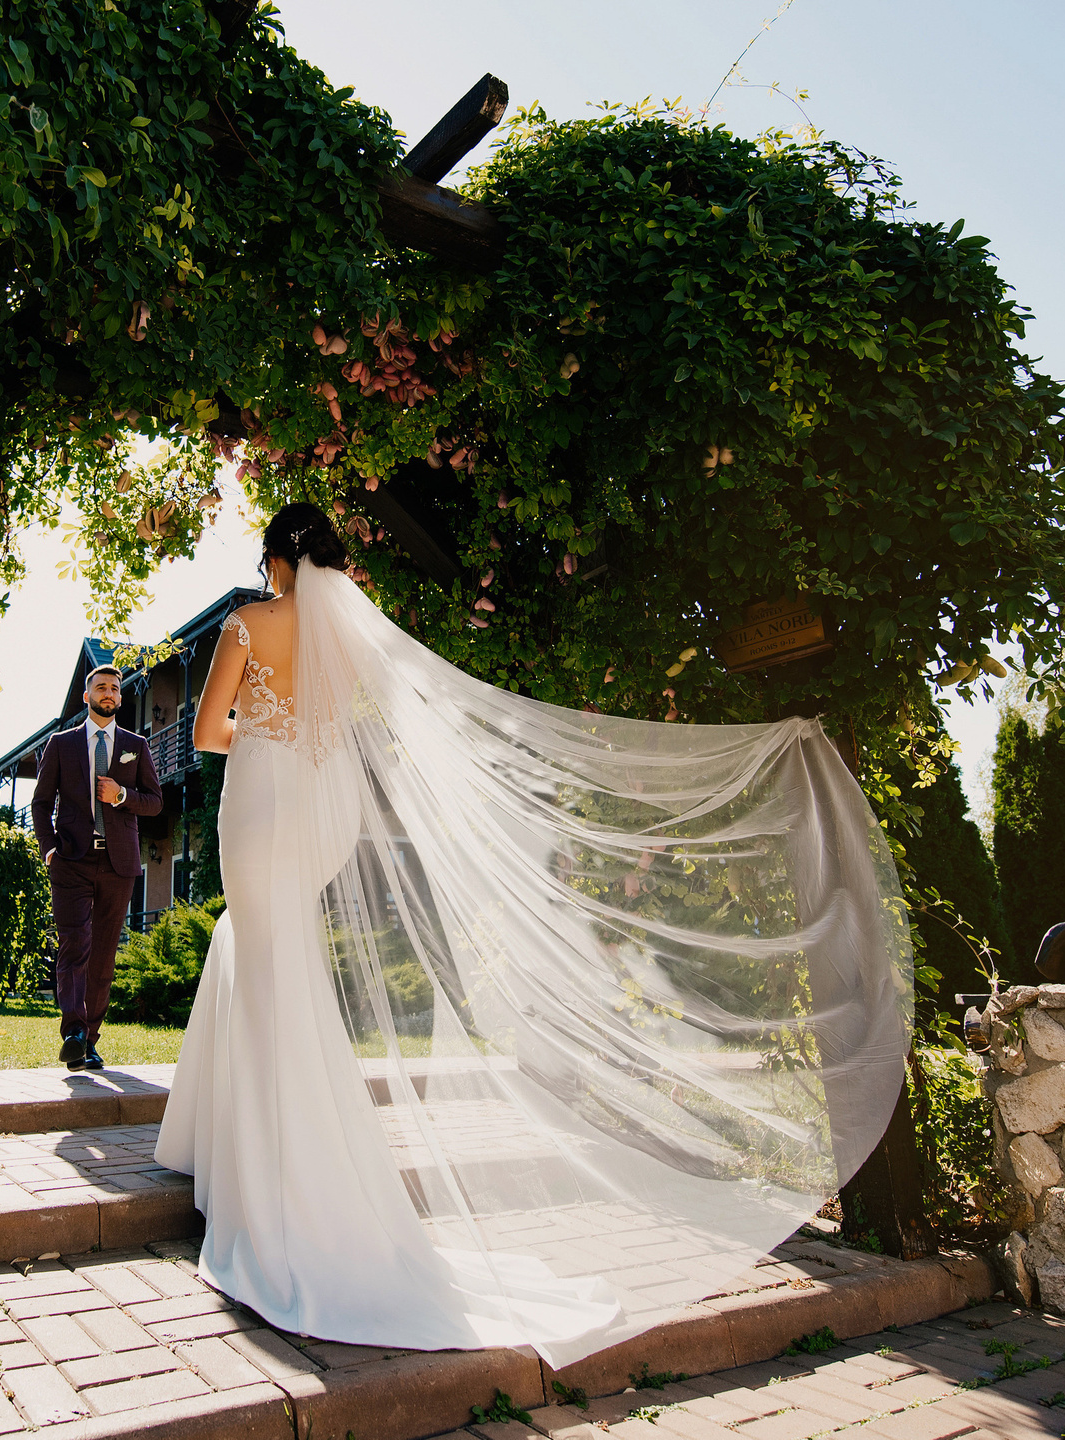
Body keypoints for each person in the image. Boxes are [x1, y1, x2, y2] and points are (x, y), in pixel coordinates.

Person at [155, 503, 908, 1368]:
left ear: (276, 559)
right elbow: (356, 727)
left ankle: (264, 1175)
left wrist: (263, 726)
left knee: (264, 955)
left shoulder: (249, 622)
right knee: (272, 958)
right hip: (324, 813)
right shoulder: (350, 639)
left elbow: (208, 731)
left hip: (261, 803)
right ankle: (258, 1153)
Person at [28, 664, 163, 1071]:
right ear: (87, 697)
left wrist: (121, 795)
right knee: (74, 945)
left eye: (115, 689)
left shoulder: (136, 745)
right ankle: (73, 1032)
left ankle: (89, 1040)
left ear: (121, 697)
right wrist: (49, 849)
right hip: (71, 860)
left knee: (103, 955)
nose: (109, 693)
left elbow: (155, 802)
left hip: (118, 863)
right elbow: (40, 803)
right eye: (101, 687)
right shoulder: (61, 744)